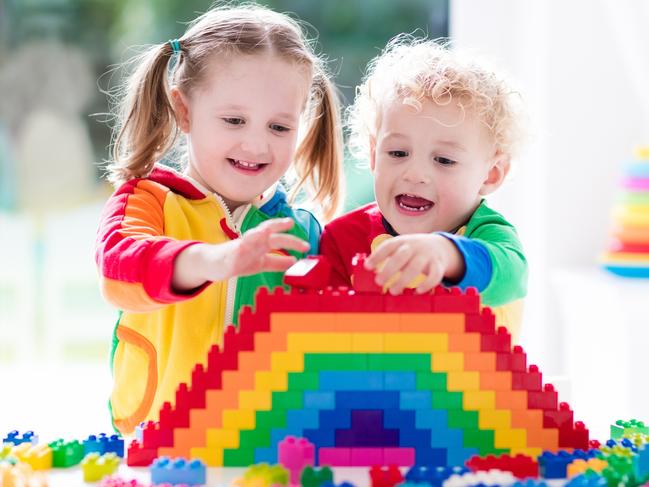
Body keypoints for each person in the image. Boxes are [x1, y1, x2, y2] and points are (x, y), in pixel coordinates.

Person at [95, 4, 343, 434]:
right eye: (234, 120)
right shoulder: (147, 200)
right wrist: (217, 260)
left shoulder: (301, 231)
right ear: (184, 110)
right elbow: (122, 273)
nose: (256, 144)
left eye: (279, 128)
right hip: (158, 447)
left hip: (265, 452)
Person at [321, 36, 527, 338]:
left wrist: (447, 254)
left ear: (491, 174)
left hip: (466, 383)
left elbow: (512, 276)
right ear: (373, 155)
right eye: (398, 153)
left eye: (443, 160)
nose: (414, 174)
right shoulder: (342, 238)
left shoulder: (487, 234)